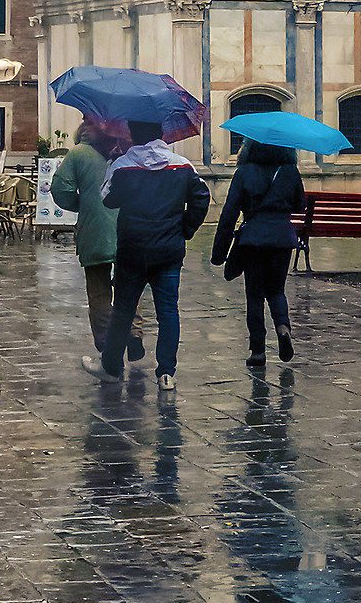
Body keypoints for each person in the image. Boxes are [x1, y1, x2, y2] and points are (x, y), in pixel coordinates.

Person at [100, 127, 210, 401]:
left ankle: (111, 367)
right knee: (168, 312)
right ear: (162, 133)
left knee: (124, 310)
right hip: (168, 251)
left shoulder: (123, 165)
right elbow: (202, 197)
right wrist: (185, 229)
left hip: (133, 250)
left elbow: (108, 200)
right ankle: (166, 373)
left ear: (133, 134)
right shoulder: (182, 165)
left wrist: (112, 163)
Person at [50, 119, 145, 377]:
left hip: (95, 229)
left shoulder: (79, 153)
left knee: (99, 290)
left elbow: (60, 190)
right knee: (129, 286)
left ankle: (105, 345)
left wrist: (83, 203)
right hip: (128, 226)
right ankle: (134, 332)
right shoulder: (129, 150)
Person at [211, 137, 305, 370]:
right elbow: (299, 205)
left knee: (254, 295)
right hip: (282, 239)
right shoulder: (290, 170)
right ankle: (283, 329)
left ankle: (257, 351)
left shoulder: (244, 172)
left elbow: (229, 213)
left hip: (252, 240)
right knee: (276, 290)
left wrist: (219, 252)